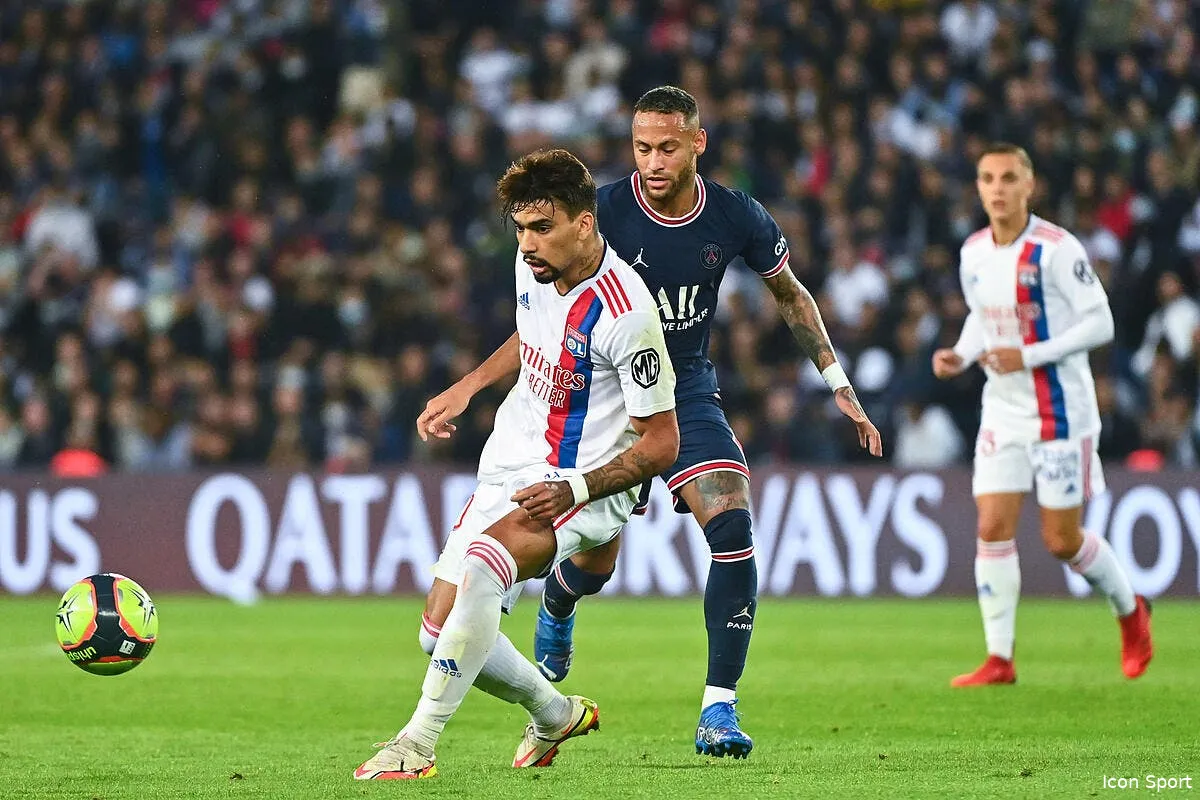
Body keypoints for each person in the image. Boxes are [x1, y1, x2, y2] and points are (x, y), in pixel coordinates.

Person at [418, 86, 883, 759]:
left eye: (668, 147)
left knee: (732, 522)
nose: (654, 161)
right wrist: (469, 386)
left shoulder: (734, 215)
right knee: (596, 564)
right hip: (600, 398)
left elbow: (789, 293)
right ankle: (557, 605)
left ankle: (718, 708)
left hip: (683, 388)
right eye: (642, 148)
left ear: (698, 142)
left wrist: (837, 382)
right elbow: (544, 328)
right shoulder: (595, 211)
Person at [355, 149, 679, 779]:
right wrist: (469, 385)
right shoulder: (534, 264)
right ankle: (555, 713)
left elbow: (662, 444)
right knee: (437, 631)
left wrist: (578, 488)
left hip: (578, 479)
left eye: (543, 228)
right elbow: (535, 333)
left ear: (584, 224)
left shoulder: (628, 314)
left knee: (483, 568)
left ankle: (416, 744)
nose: (527, 244)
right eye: (521, 228)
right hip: (511, 455)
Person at [932, 142, 1153, 687]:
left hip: (1060, 413)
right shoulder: (974, 252)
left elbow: (1101, 324)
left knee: (1061, 541)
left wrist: (1027, 355)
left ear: (1029, 185)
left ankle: (1131, 612)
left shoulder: (1057, 250)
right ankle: (1000, 658)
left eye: (1009, 178)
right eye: (988, 179)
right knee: (992, 525)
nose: (998, 189)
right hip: (1002, 412)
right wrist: (960, 354)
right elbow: (982, 320)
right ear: (979, 187)